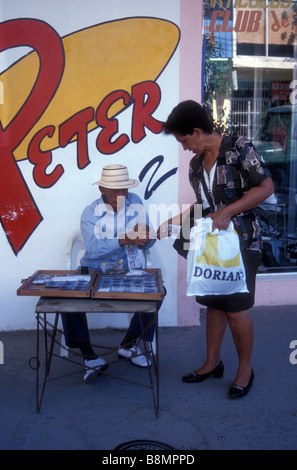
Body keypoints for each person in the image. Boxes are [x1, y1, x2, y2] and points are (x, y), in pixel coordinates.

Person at [160, 100, 275, 398]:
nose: (185, 148)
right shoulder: (196, 165)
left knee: (236, 310)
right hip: (211, 246)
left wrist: (228, 212)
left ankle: (245, 368)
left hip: (242, 242)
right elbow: (203, 208)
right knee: (213, 304)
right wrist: (169, 224)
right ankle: (212, 362)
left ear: (197, 131)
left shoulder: (239, 147)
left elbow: (265, 187)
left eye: (185, 140)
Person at [62, 164, 159, 383]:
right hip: (95, 269)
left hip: (127, 269)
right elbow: (94, 249)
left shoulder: (135, 202)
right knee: (67, 297)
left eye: (124, 189)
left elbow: (148, 241)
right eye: (115, 191)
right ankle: (89, 357)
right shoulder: (90, 213)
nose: (121, 195)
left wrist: (148, 236)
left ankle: (128, 345)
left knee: (157, 292)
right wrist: (125, 238)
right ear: (102, 190)